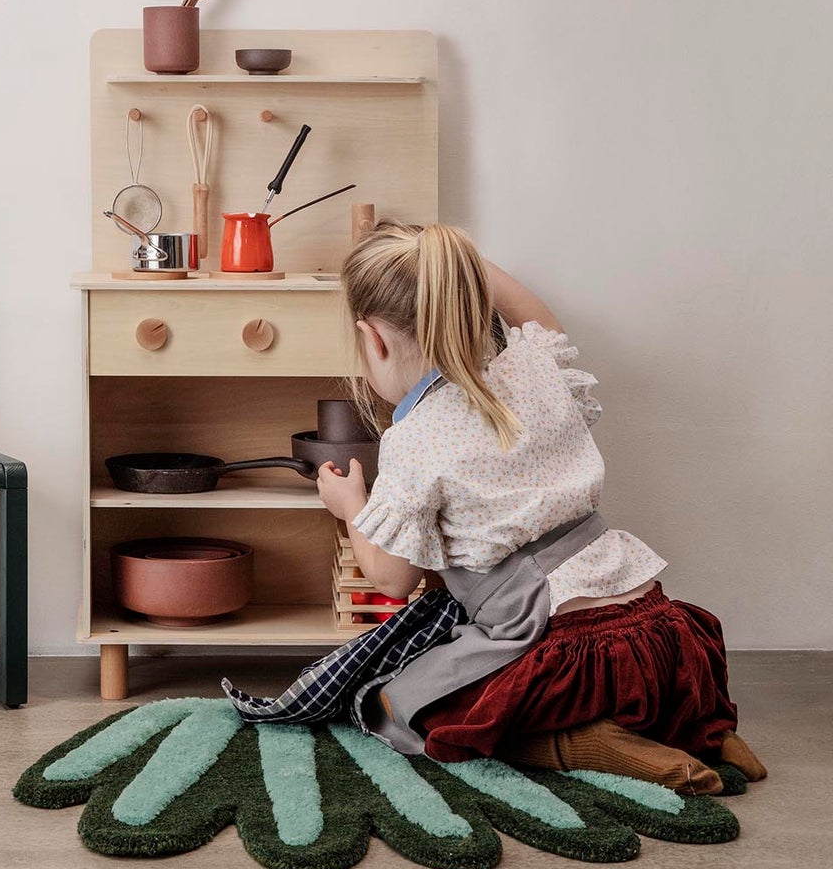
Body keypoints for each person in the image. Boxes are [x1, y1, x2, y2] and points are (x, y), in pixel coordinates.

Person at [313, 221, 765, 794]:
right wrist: (451, 256)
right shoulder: (533, 368)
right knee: (654, 682)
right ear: (468, 292)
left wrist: (350, 504)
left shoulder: (414, 438)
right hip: (659, 632)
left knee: (400, 705)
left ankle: (584, 745)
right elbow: (534, 311)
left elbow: (393, 579)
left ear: (372, 339)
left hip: (562, 651)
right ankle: (710, 732)